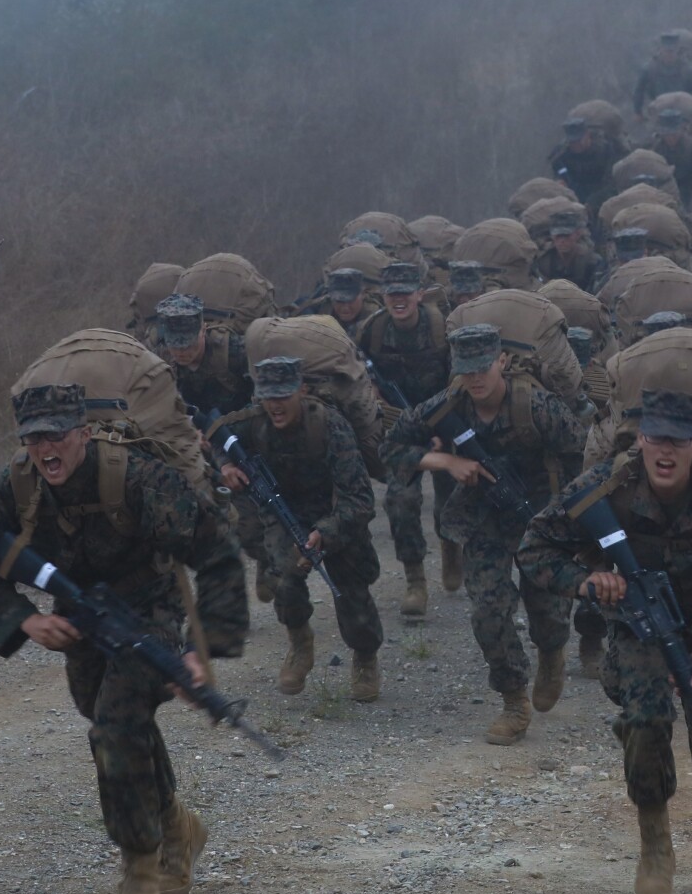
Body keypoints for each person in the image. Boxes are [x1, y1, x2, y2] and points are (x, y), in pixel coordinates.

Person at [0, 383, 248, 894]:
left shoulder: (138, 478)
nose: (47, 449)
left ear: (84, 434)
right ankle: (177, 828)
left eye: (59, 436)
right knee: (108, 714)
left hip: (151, 610)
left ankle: (141, 877)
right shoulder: (15, 488)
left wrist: (198, 648)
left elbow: (217, 554)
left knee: (115, 729)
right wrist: (25, 619)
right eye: (34, 438)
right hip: (82, 615)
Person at [518, 390, 692, 894]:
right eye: (655, 438)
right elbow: (534, 547)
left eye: (678, 440)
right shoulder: (606, 486)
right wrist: (588, 581)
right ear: (639, 439)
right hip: (640, 621)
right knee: (645, 721)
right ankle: (655, 843)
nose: (665, 451)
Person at [384, 325, 587, 746]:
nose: (475, 379)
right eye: (465, 370)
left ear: (502, 362)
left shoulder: (537, 407)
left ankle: (551, 654)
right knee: (488, 613)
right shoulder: (447, 405)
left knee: (548, 613)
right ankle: (514, 700)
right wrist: (442, 461)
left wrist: (570, 522)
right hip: (484, 519)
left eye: (482, 369)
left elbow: (584, 458)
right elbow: (390, 446)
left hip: (539, 517)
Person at [214, 357, 384, 702]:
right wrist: (226, 465)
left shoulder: (330, 426)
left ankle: (365, 657)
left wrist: (327, 532)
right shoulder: (254, 422)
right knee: (282, 575)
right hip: (284, 512)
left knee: (351, 591)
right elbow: (214, 434)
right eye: (267, 396)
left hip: (336, 513)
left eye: (283, 395)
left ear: (302, 392)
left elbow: (360, 500)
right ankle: (299, 641)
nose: (275, 405)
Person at [355, 261, 456, 616]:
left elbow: (457, 385)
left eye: (404, 293)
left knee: (451, 500)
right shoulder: (373, 331)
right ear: (383, 296)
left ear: (418, 294)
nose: (398, 301)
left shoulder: (442, 329)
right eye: (391, 294)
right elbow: (359, 375)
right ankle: (415, 580)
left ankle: (450, 545)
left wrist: (444, 431)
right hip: (401, 431)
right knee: (400, 500)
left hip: (445, 422)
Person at [647, 103, 692, 219]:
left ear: (681, 129)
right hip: (663, 201)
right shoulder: (656, 150)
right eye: (667, 134)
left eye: (674, 133)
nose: (670, 138)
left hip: (690, 197)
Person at [549, 117, 629, 217]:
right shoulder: (562, 155)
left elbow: (611, 183)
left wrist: (593, 202)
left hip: (602, 195)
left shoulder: (605, 151)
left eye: (579, 140)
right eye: (573, 142)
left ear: (587, 135)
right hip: (575, 196)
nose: (576, 145)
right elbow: (560, 171)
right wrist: (560, 181)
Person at [532, 204, 608, 293]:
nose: (562, 241)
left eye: (567, 236)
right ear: (552, 236)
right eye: (558, 236)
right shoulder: (545, 261)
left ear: (577, 235)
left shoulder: (591, 261)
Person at [631, 32, 692, 116]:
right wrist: (637, 111)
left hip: (683, 112)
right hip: (658, 110)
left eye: (672, 51)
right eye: (666, 51)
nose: (669, 54)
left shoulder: (689, 69)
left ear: (677, 51)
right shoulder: (649, 68)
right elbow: (639, 90)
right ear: (661, 50)